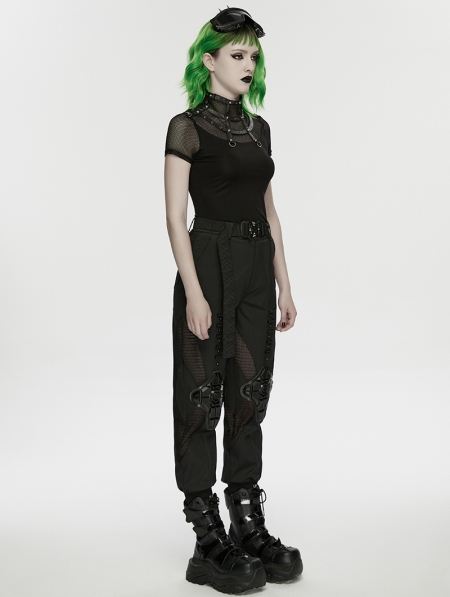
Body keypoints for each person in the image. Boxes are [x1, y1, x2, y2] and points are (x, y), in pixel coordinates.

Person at [164, 7, 303, 593]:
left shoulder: (258, 129)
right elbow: (175, 217)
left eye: (253, 55)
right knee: (201, 395)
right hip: (208, 260)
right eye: (238, 54)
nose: (249, 64)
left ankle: (248, 522)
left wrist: (284, 282)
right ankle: (206, 539)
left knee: (251, 391)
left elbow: (270, 211)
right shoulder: (186, 127)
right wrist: (194, 291)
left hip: (254, 267)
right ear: (210, 61)